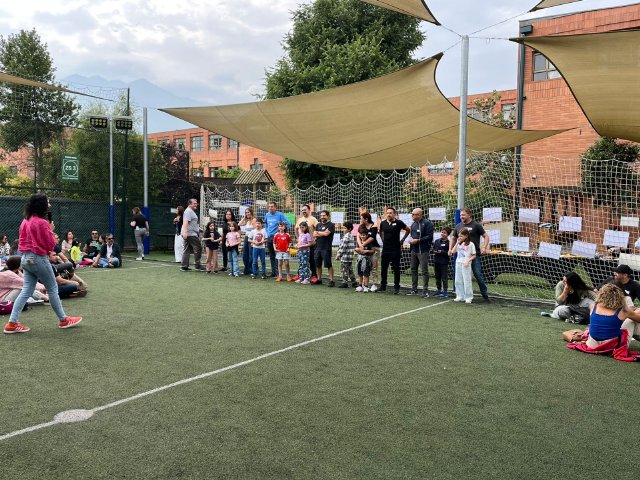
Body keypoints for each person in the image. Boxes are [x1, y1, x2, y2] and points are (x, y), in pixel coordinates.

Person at [3, 193, 82, 334]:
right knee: (52, 288)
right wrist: (50, 230)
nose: (49, 204)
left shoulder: (25, 221)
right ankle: (63, 319)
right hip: (38, 258)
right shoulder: (41, 223)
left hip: (26, 259)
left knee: (26, 290)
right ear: (42, 205)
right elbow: (50, 244)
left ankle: (12, 323)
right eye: (48, 202)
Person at [450, 208, 491, 302]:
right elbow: (453, 237)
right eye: (460, 215)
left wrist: (484, 247)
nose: (461, 217)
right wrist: (450, 249)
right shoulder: (458, 226)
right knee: (459, 277)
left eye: (463, 215)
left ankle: (484, 294)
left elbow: (486, 236)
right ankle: (461, 295)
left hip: (474, 255)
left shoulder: (476, 225)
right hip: (462, 256)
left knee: (478, 274)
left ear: (469, 215)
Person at [584, 283, 640, 349]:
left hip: (592, 344)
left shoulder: (593, 306)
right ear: (620, 296)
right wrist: (636, 311)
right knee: (630, 321)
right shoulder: (623, 311)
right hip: (612, 347)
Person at [379, 207, 410, 295]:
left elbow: (408, 229)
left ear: (394, 214)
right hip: (385, 250)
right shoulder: (383, 223)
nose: (389, 214)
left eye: (391, 213)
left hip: (395, 249)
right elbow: (380, 232)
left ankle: (396, 287)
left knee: (396, 269)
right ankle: (383, 286)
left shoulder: (399, 222)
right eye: (387, 213)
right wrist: (383, 240)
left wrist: (403, 239)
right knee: (383, 268)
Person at [407, 208, 434, 298]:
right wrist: (410, 241)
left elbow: (430, 237)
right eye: (412, 214)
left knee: (424, 271)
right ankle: (414, 289)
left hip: (423, 251)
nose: (412, 216)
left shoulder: (427, 223)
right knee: (413, 269)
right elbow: (412, 236)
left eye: (414, 214)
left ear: (419, 215)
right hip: (414, 251)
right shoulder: (413, 224)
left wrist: (418, 240)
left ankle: (425, 291)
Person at [265, 202, 290, 277]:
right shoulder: (267, 215)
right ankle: (274, 272)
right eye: (269, 206)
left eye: (272, 206)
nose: (270, 208)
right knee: (272, 255)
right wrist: (267, 232)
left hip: (278, 238)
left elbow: (288, 224)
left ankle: (279, 273)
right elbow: (266, 224)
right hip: (270, 238)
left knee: (278, 255)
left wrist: (282, 233)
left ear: (275, 208)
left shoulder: (280, 215)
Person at [295, 205, 318, 281]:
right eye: (302, 210)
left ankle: (314, 275)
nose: (303, 211)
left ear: (309, 210)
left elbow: (318, 228)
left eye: (305, 210)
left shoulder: (313, 219)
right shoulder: (300, 219)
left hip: (311, 244)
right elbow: (296, 229)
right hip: (302, 245)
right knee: (301, 260)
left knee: (311, 260)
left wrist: (315, 238)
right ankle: (300, 275)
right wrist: (298, 239)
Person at [452, 229, 476, 304]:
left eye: (461, 236)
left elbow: (474, 255)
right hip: (458, 262)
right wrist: (457, 243)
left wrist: (468, 261)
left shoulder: (471, 244)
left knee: (467, 280)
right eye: (459, 236)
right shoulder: (459, 243)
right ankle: (460, 295)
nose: (460, 237)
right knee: (457, 280)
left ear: (466, 236)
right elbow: (453, 251)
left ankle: (468, 297)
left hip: (466, 264)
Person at [313, 210, 336, 287]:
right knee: (318, 264)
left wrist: (319, 233)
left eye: (324, 215)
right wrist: (322, 233)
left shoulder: (331, 225)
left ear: (328, 216)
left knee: (328, 264)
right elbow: (314, 234)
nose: (322, 217)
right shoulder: (318, 225)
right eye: (321, 215)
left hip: (326, 248)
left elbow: (326, 234)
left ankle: (331, 280)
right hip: (317, 247)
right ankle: (319, 279)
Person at [359, 211, 380, 291]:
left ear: (366, 219)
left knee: (374, 266)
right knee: (363, 266)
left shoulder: (374, 226)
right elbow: (358, 235)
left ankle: (374, 284)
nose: (360, 220)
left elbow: (372, 238)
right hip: (364, 248)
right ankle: (364, 284)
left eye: (361, 218)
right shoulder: (361, 226)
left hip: (374, 248)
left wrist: (363, 244)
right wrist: (360, 244)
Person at [181, 198, 204, 272]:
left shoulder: (190, 211)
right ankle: (197, 265)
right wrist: (185, 233)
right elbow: (185, 222)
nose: (196, 204)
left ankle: (184, 266)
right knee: (198, 248)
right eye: (194, 203)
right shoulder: (188, 211)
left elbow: (192, 223)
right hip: (190, 234)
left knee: (187, 249)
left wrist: (199, 229)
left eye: (196, 203)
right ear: (190, 204)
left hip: (189, 233)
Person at [336, 221, 356, 288]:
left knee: (344, 269)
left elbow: (343, 247)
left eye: (344, 228)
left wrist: (339, 255)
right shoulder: (351, 236)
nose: (343, 230)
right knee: (350, 270)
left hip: (345, 256)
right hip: (350, 256)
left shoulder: (346, 237)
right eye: (342, 228)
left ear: (349, 229)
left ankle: (345, 282)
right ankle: (354, 282)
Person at [432, 227, 452, 298]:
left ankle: (445, 291)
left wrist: (442, 252)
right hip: (436, 261)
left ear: (448, 234)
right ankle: (439, 290)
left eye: (444, 233)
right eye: (442, 232)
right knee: (437, 277)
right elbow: (433, 249)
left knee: (444, 277)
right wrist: (434, 251)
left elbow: (449, 253)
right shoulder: (437, 241)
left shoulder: (449, 243)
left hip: (444, 262)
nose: (442, 234)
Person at [354, 225, 374, 292]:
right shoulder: (359, 243)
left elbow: (373, 250)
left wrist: (366, 251)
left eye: (364, 235)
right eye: (361, 235)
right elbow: (356, 249)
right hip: (359, 259)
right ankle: (360, 286)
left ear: (367, 235)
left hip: (367, 259)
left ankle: (366, 286)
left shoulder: (369, 243)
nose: (362, 236)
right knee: (360, 273)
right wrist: (357, 250)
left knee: (366, 273)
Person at [239, 207, 257, 275]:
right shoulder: (247, 221)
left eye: (248, 212)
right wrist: (244, 217)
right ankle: (246, 269)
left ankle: (252, 270)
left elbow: (255, 230)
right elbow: (239, 224)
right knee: (245, 254)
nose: (247, 214)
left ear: (251, 212)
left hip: (252, 238)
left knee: (251, 254)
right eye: (246, 212)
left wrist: (253, 240)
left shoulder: (254, 220)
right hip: (246, 237)